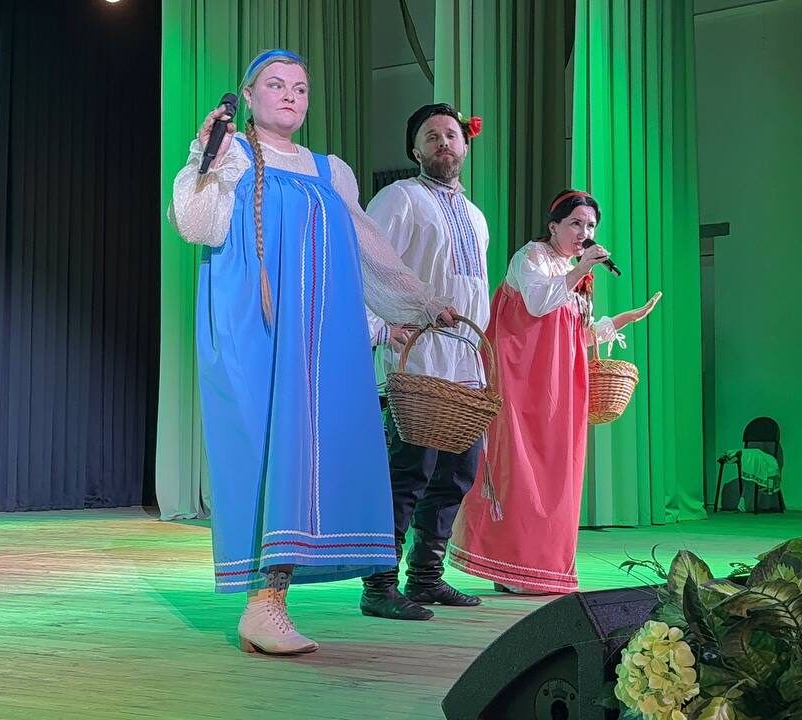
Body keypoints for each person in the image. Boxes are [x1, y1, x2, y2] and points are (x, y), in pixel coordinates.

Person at [169, 49, 455, 656]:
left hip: (320, 334)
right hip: (253, 328)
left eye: (300, 87)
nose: (291, 96)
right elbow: (197, 226)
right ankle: (261, 603)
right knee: (262, 452)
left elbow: (369, 249)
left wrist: (421, 304)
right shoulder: (234, 154)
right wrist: (204, 159)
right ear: (249, 96)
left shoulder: (332, 171)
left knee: (309, 458)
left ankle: (270, 604)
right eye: (276, 85)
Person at [448, 190, 660, 595]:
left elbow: (575, 334)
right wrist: (580, 268)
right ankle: (510, 568)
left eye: (590, 225)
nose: (584, 232)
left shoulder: (576, 274)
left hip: (561, 386)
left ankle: (542, 567)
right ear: (554, 226)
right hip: (521, 382)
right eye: (576, 223)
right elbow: (538, 303)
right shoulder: (531, 257)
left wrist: (620, 321)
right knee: (520, 472)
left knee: (559, 475)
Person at [359, 104, 489, 621]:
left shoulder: (475, 215)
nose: (443, 142)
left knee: (459, 472)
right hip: (414, 357)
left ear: (465, 146)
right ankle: (379, 585)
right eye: (430, 136)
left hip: (464, 362)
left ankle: (426, 577)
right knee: (408, 472)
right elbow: (366, 264)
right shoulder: (400, 198)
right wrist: (381, 326)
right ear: (415, 150)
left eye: (451, 134)